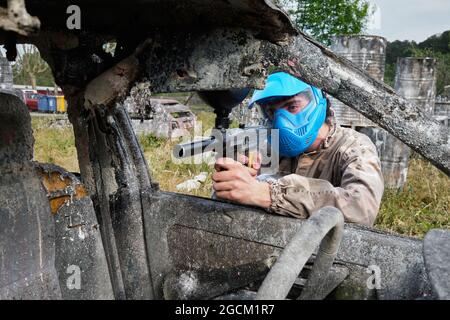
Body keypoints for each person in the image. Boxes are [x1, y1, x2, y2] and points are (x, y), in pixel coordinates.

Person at [212, 72, 384, 226]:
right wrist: (234, 183)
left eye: (292, 107)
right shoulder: (266, 148)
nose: (281, 121)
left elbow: (361, 208)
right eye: (272, 112)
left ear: (318, 100)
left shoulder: (354, 147)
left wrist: (270, 193)